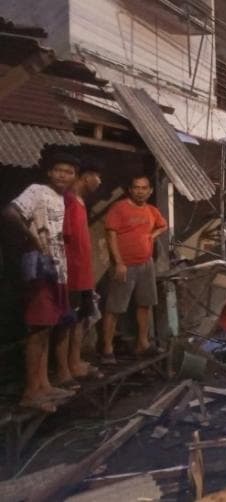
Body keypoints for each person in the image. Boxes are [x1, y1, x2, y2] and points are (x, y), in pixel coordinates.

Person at [3, 153, 79, 411]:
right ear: (49, 172)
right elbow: (10, 213)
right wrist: (32, 240)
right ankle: (30, 392)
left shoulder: (61, 199)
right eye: (58, 169)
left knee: (47, 327)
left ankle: (43, 385)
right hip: (39, 271)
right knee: (37, 330)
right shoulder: (36, 190)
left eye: (68, 171)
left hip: (57, 270)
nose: (62, 175)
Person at [101, 175, 167, 364]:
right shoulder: (119, 208)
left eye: (144, 188)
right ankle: (107, 348)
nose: (140, 191)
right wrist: (119, 262)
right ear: (130, 189)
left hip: (146, 264)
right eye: (136, 187)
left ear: (150, 191)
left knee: (144, 304)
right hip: (125, 265)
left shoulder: (151, 210)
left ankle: (143, 343)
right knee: (114, 308)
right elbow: (110, 236)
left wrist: (151, 236)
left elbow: (163, 226)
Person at [54, 158, 104, 389]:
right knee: (66, 322)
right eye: (97, 177)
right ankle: (63, 371)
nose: (100, 182)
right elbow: (63, 238)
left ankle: (75, 363)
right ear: (86, 177)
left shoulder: (80, 202)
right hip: (70, 274)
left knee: (80, 321)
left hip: (83, 274)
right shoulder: (67, 202)